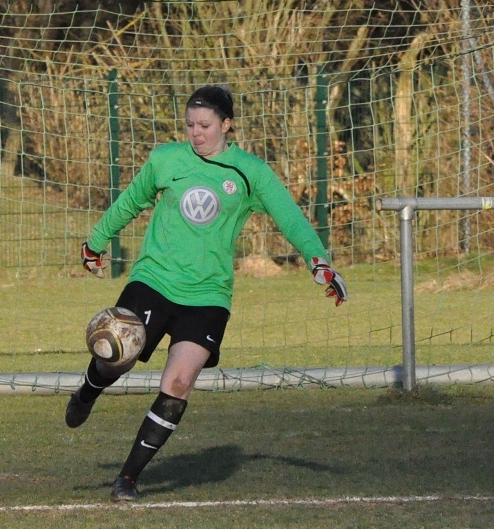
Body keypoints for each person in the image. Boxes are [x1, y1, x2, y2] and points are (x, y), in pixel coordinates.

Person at [65, 85, 348, 502]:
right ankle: (88, 390)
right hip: (154, 280)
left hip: (209, 294)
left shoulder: (250, 172)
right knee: (114, 360)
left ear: (226, 125)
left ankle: (127, 479)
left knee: (178, 383)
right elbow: (130, 202)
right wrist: (95, 242)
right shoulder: (166, 160)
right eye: (189, 125)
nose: (195, 133)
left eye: (204, 125)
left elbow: (290, 217)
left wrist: (318, 261)